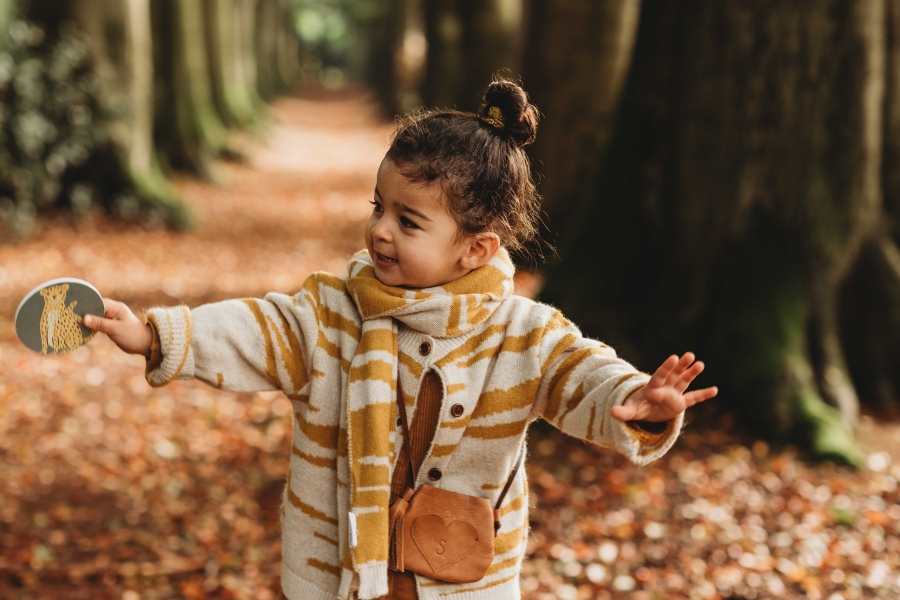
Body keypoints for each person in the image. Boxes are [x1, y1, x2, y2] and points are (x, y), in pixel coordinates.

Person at [83, 80, 717, 600]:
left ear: (477, 249)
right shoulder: (334, 314)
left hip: (463, 579)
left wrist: (633, 400)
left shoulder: (521, 332)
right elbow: (259, 329)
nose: (380, 230)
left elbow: (578, 372)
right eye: (377, 206)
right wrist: (156, 335)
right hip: (341, 575)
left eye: (408, 220)